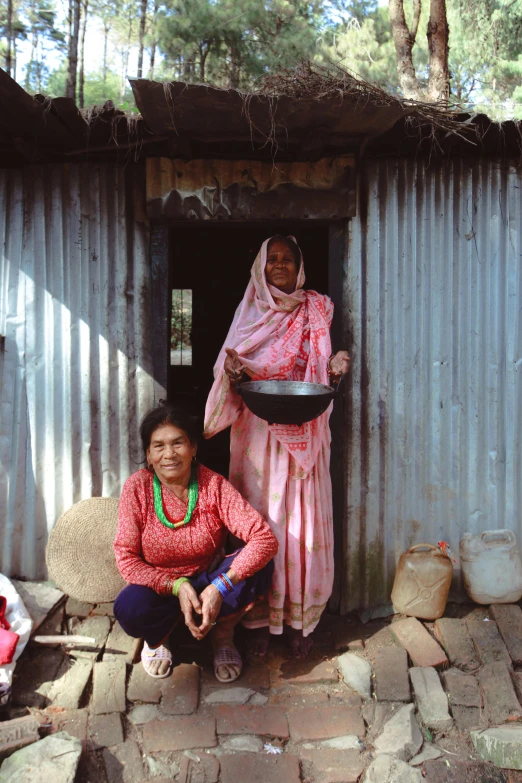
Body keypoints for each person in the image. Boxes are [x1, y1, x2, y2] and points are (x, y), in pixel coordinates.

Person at [204, 235, 349, 658]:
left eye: (288, 259)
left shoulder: (315, 309)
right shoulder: (249, 313)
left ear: (301, 267)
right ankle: (256, 620)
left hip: (305, 432)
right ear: (260, 268)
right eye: (272, 260)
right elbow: (225, 365)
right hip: (256, 435)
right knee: (261, 522)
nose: (280, 266)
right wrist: (231, 370)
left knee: (303, 523)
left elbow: (322, 371)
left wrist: (337, 365)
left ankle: (300, 624)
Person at [113, 401, 277, 681]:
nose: (169, 454)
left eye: (178, 443)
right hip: (161, 585)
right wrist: (175, 585)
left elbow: (263, 538)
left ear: (193, 449)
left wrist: (219, 586)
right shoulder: (137, 487)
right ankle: (159, 639)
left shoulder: (213, 486)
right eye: (159, 446)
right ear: (148, 455)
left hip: (208, 580)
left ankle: (222, 636)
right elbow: (126, 557)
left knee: (260, 566)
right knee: (129, 608)